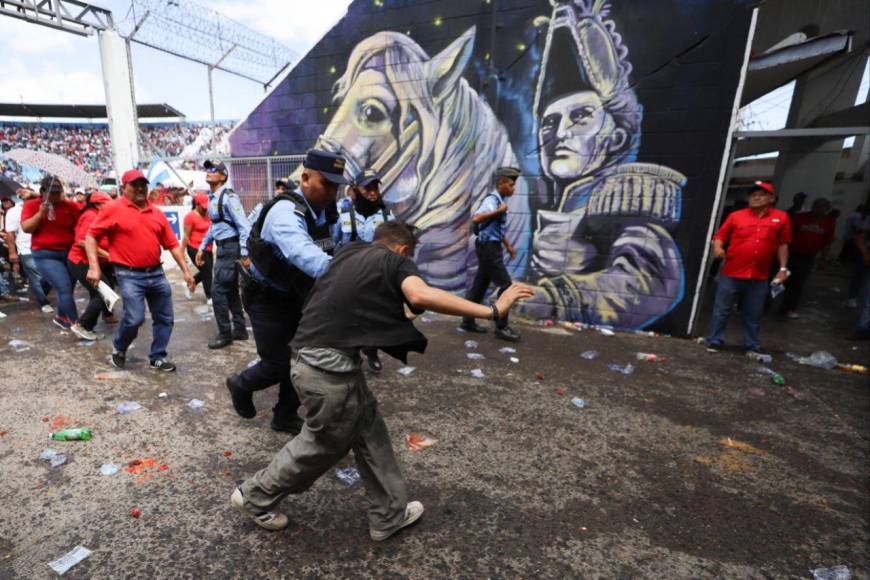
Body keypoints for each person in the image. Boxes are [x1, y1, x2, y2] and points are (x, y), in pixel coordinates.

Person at [231, 221, 535, 538]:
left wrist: (406, 314)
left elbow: (364, 307)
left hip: (315, 360)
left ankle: (389, 513)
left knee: (369, 428)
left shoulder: (348, 253)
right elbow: (419, 292)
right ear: (404, 250)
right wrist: (493, 310)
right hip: (328, 370)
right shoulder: (395, 260)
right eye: (409, 257)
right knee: (323, 444)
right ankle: (254, 495)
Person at [226, 149, 346, 434]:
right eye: (326, 184)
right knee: (277, 364)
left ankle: (284, 415)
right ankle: (241, 384)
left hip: (299, 295)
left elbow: (334, 248)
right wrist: (349, 277)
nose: (332, 192)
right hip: (267, 297)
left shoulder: (327, 212)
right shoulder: (285, 212)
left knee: (301, 360)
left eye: (336, 186)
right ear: (305, 178)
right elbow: (304, 254)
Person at [85, 169, 196, 372]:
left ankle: (157, 357)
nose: (139, 188)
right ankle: (119, 348)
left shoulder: (156, 213)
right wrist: (94, 266)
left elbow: (172, 244)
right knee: (134, 318)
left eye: (142, 184)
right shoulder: (112, 209)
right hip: (129, 275)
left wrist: (186, 271)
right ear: (123, 188)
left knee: (165, 318)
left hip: (156, 273)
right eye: (134, 185)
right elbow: (91, 236)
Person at [706, 182, 791, 355]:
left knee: (753, 313)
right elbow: (720, 235)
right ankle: (714, 340)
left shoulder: (781, 218)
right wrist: (718, 248)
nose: (756, 197)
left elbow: (783, 244)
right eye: (753, 195)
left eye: (761, 194)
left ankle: (751, 344)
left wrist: (783, 268)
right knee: (722, 310)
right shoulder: (736, 216)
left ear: (772, 199)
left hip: (759, 275)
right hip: (731, 272)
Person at [20, 175, 96, 340]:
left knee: (67, 289)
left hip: (69, 253)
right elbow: (26, 228)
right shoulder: (32, 205)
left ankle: (62, 317)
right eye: (52, 192)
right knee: (63, 287)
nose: (55, 196)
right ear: (43, 192)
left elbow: (84, 215)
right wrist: (40, 213)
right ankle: (77, 324)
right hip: (45, 254)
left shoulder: (69, 206)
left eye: (58, 192)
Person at [335, 168, 395, 371]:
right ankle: (351, 354)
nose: (372, 192)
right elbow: (332, 243)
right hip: (349, 274)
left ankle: (371, 350)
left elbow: (395, 247)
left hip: (376, 275)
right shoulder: (342, 213)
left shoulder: (387, 215)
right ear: (355, 190)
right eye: (367, 188)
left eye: (375, 188)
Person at [460, 166, 522, 342]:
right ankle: (502, 328)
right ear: (501, 183)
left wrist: (508, 246)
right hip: (488, 249)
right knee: (507, 287)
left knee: (480, 286)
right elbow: (477, 218)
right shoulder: (492, 201)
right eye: (511, 184)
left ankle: (467, 321)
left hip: (490, 246)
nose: (513, 188)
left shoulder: (498, 200)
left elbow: (495, 229)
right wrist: (498, 211)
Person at [196, 160, 250, 349]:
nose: (209, 172)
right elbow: (215, 226)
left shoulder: (229, 198)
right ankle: (240, 330)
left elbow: (244, 226)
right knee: (231, 290)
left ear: (223, 176)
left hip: (230, 249)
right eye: (208, 170)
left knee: (217, 292)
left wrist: (244, 252)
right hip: (223, 248)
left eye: (214, 170)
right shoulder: (213, 197)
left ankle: (225, 334)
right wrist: (203, 247)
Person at [67, 191, 117, 335]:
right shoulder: (90, 216)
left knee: (104, 290)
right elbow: (82, 241)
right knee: (104, 293)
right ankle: (83, 325)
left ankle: (104, 317)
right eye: (108, 204)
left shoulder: (99, 215)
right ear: (98, 204)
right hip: (80, 261)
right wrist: (109, 255)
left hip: (91, 261)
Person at [782, 198, 835, 319]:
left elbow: (827, 242)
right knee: (782, 279)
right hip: (792, 254)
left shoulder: (829, 222)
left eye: (823, 207)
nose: (820, 209)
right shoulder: (800, 218)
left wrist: (824, 258)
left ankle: (789, 307)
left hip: (808, 256)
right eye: (818, 206)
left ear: (827, 209)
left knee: (798, 282)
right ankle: (770, 303)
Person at [4, 188, 53, 312]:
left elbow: (51, 200)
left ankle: (38, 294)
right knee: (37, 277)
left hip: (45, 247)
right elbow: (10, 234)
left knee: (49, 277)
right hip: (26, 250)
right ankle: (43, 302)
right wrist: (12, 252)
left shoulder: (43, 207)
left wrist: (34, 194)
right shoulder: (14, 212)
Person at [183, 193, 213, 302]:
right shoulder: (190, 217)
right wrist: (182, 253)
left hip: (208, 248)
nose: (205, 209)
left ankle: (190, 285)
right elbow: (186, 236)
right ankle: (210, 297)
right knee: (207, 272)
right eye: (203, 207)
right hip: (194, 248)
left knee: (207, 271)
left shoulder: (209, 214)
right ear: (197, 204)